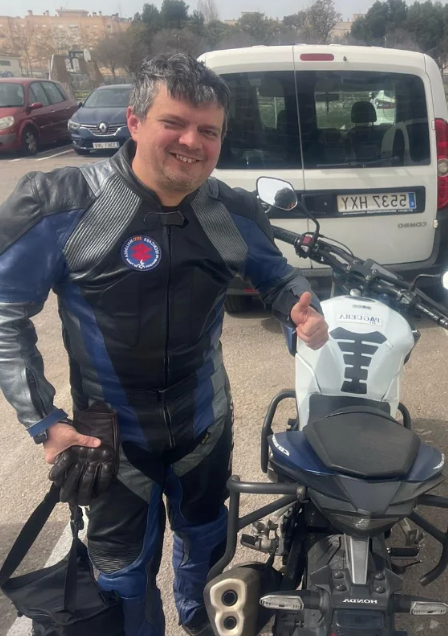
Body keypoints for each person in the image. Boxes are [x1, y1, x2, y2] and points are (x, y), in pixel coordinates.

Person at [0, 53, 328, 636]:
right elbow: (4, 311)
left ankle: (201, 626)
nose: (191, 142)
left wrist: (299, 309)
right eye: (173, 123)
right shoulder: (64, 203)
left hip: (203, 423)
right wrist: (44, 422)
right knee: (123, 579)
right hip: (111, 437)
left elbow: (278, 278)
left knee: (207, 550)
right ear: (133, 122)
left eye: (209, 130)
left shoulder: (227, 211)